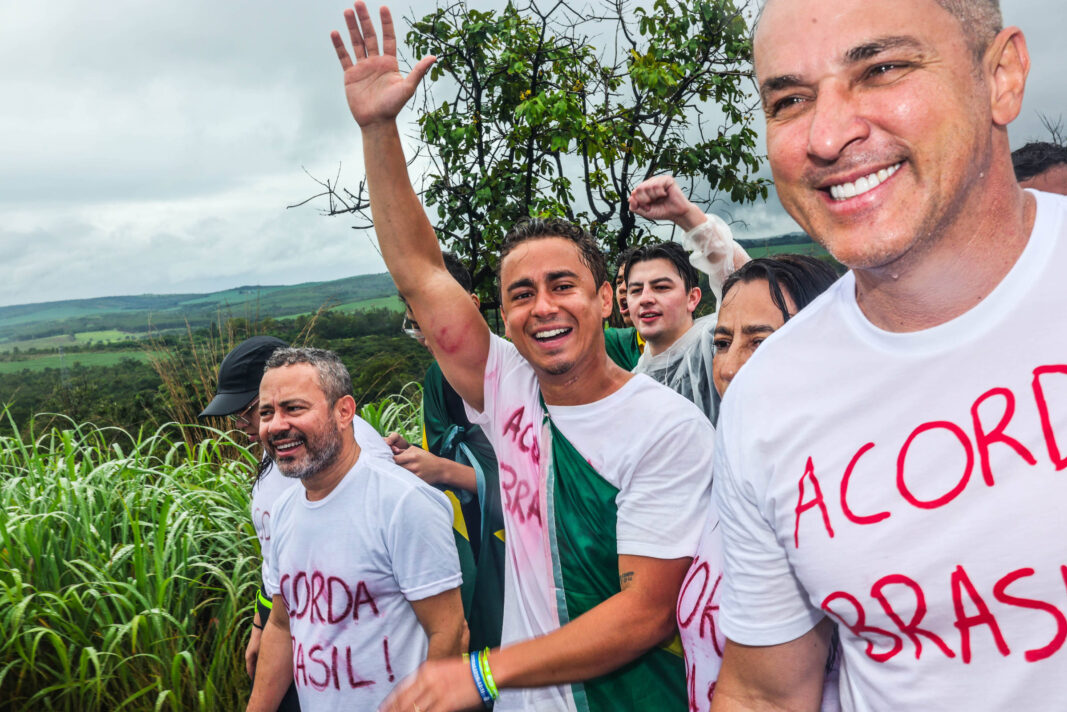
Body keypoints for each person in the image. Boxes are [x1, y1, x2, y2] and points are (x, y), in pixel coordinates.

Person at [329, 5, 716, 710]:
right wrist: (378, 129)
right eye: (521, 294)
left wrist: (480, 673)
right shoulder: (505, 381)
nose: (542, 307)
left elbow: (646, 613)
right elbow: (420, 271)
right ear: (502, 315)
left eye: (563, 286)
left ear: (607, 301)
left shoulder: (665, 429)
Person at [710, 1, 1067, 710]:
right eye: (789, 99)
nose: (826, 134)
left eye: (882, 68)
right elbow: (765, 692)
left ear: (1002, 76)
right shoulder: (766, 400)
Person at [246, 347, 465, 712]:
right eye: (266, 413)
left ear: (344, 411)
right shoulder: (284, 511)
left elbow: (451, 635)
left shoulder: (402, 502)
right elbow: (282, 627)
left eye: (294, 408)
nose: (276, 425)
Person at [674, 255, 838, 711]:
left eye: (759, 344)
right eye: (722, 342)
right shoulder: (734, 477)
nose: (727, 368)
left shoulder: (835, 503)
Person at [199, 335, 391, 712]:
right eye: (261, 414)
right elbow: (280, 564)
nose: (244, 426)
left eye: (247, 411)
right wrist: (261, 622)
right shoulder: (290, 457)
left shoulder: (339, 460)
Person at [389, 251, 506, 651]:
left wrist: (443, 470)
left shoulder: (516, 371)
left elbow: (540, 483)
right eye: (415, 318)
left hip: (518, 550)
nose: (425, 330)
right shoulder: (436, 380)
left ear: (472, 305)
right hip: (470, 540)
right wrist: (412, 459)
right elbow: (442, 453)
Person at [625, 175, 751, 421]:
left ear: (692, 298)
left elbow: (743, 282)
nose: (646, 298)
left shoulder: (715, 343)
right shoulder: (635, 381)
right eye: (636, 290)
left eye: (661, 287)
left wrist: (686, 216)